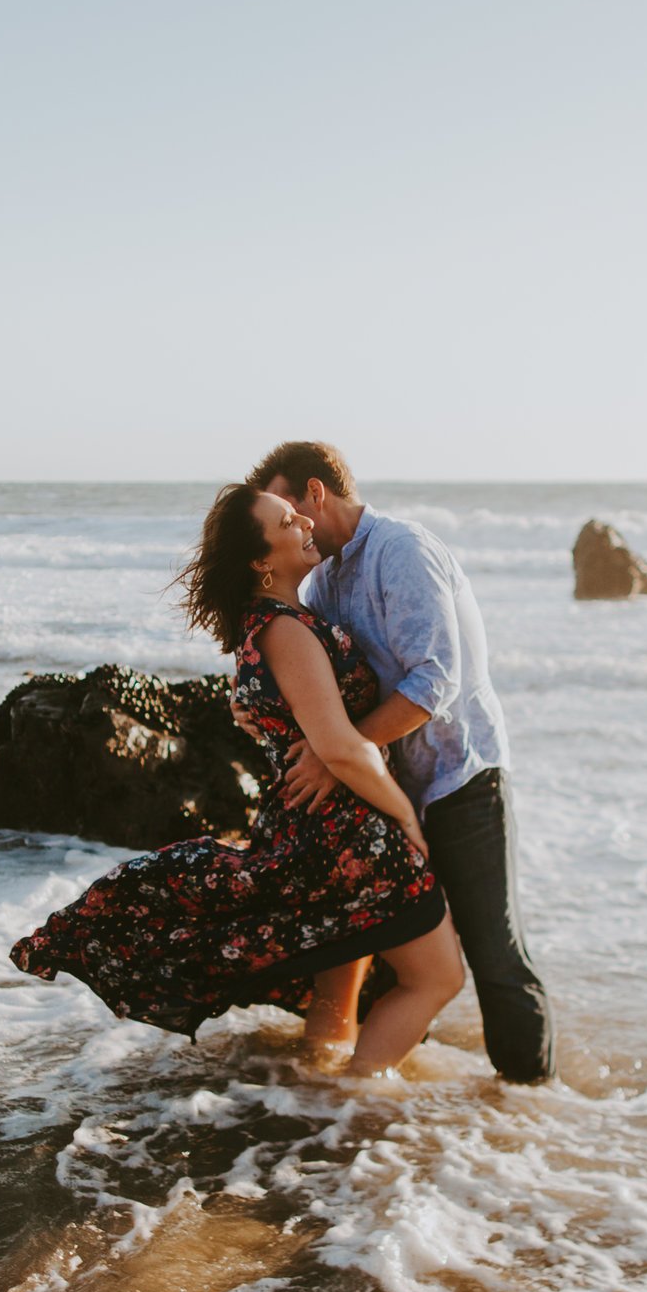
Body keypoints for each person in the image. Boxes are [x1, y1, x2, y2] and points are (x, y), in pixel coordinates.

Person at [8, 483, 467, 1076]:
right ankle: (354, 1099)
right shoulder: (285, 630)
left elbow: (299, 720)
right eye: (285, 520)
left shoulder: (278, 624)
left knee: (340, 984)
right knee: (437, 978)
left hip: (319, 825)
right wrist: (406, 818)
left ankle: (315, 1091)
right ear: (260, 559)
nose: (303, 519)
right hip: (352, 831)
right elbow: (342, 749)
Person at [246, 441, 557, 1083]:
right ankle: (390, 1112)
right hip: (388, 794)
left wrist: (339, 755)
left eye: (290, 508)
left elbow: (434, 681)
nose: (295, 525)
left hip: (458, 780)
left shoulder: (401, 550)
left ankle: (531, 1113)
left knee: (495, 959)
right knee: (402, 964)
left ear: (315, 492)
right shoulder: (324, 578)